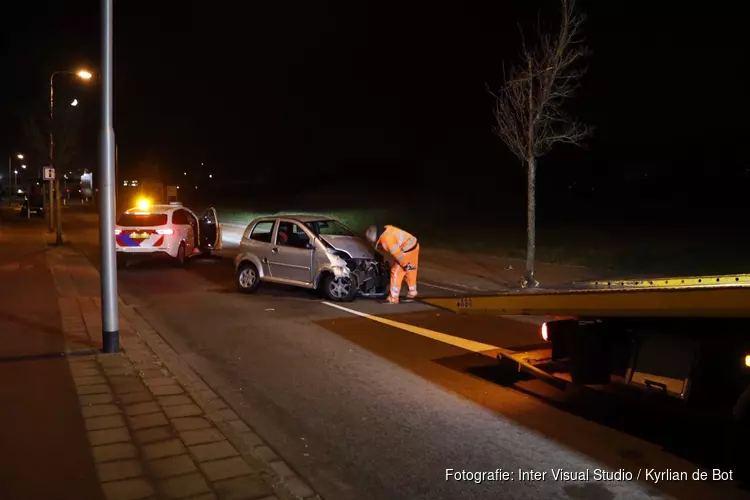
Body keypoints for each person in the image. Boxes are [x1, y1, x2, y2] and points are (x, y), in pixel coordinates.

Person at [365, 225, 419, 304]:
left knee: (396, 272)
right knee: (411, 270)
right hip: (413, 245)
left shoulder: (386, 239)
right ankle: (412, 293)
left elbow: (397, 254)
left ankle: (393, 298)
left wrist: (404, 264)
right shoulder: (387, 230)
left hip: (406, 251)